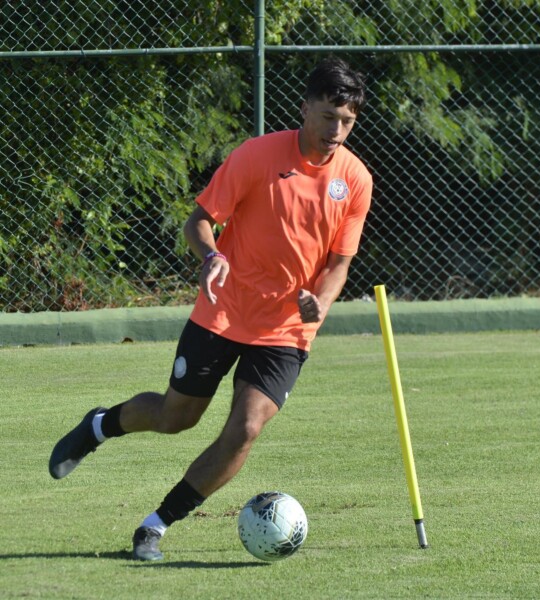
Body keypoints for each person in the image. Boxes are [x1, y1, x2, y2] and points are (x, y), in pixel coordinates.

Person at [49, 57, 373, 561]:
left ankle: (156, 525)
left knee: (245, 428)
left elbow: (339, 264)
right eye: (328, 116)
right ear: (305, 108)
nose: (336, 130)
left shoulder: (355, 179)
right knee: (175, 417)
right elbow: (199, 221)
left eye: (347, 121)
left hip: (286, 327)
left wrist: (322, 301)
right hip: (223, 310)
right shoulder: (257, 155)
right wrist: (212, 256)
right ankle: (99, 425)